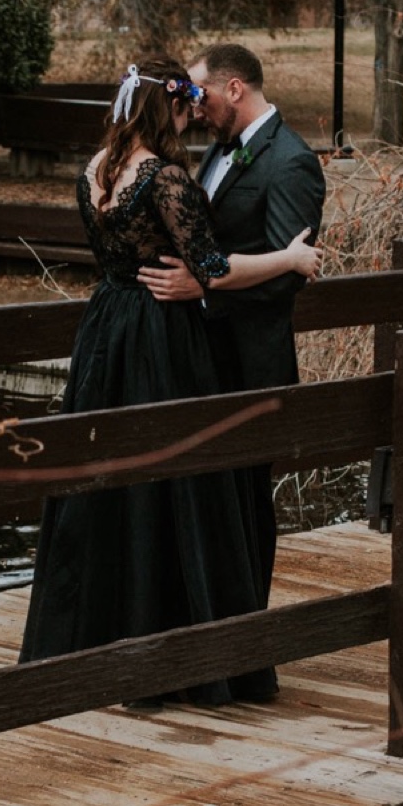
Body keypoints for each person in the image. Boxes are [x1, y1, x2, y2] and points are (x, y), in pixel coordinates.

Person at [18, 59, 321, 706]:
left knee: (104, 478)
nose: (195, 115)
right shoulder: (167, 177)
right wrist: (292, 257)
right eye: (186, 105)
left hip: (107, 330)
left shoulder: (96, 168)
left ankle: (90, 640)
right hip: (161, 336)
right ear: (168, 108)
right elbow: (209, 267)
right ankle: (177, 653)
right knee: (178, 484)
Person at [136, 43, 328, 701]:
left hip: (249, 365)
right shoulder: (215, 153)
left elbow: (283, 284)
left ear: (235, 87)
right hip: (199, 362)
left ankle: (245, 658)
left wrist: (206, 292)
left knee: (245, 508)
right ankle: (198, 651)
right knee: (203, 507)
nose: (195, 105)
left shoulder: (292, 162)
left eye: (201, 93)